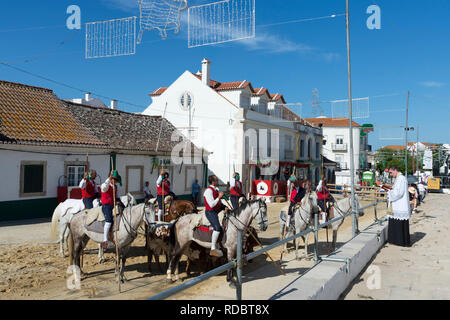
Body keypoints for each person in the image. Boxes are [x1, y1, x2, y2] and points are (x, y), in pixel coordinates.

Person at [381, 166, 411, 247]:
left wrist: (390, 192)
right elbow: (396, 190)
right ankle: (395, 240)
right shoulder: (398, 178)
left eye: (391, 172)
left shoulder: (401, 178)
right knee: (396, 223)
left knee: (399, 224)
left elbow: (399, 193)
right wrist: (391, 189)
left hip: (400, 205)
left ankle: (400, 241)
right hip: (397, 204)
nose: (390, 174)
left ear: (395, 170)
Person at [204, 175, 229, 257]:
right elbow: (211, 204)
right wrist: (219, 197)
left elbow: (218, 203)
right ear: (213, 182)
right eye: (217, 180)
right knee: (217, 228)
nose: (218, 181)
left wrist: (224, 207)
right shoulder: (208, 191)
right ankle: (213, 248)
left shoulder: (216, 189)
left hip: (216, 210)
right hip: (210, 212)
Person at [100, 170, 122, 249]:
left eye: (116, 180)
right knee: (109, 221)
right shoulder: (104, 185)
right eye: (113, 179)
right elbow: (105, 188)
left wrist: (119, 201)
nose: (115, 181)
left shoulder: (116, 187)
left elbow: (117, 196)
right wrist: (109, 177)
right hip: (106, 205)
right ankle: (105, 240)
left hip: (113, 205)